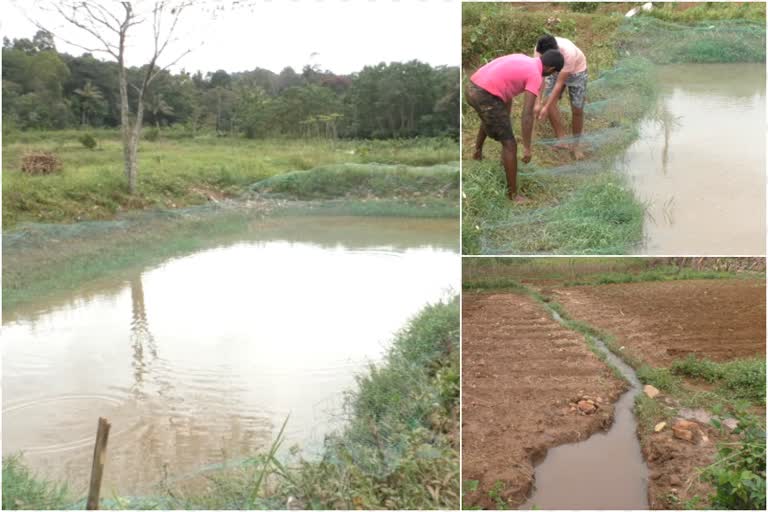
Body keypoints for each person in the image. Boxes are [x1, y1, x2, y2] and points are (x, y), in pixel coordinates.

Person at [466, 50, 564, 202]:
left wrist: (504, 117)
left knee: (489, 116)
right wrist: (526, 147)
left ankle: (477, 152)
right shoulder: (535, 75)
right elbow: (527, 114)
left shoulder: (523, 58)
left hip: (472, 87)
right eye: (553, 73)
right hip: (484, 95)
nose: (550, 75)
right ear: (550, 69)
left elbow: (505, 90)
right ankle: (513, 196)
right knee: (510, 145)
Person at [534, 35, 588, 160]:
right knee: (549, 100)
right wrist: (538, 102)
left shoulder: (568, 53)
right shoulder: (539, 49)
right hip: (554, 71)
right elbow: (540, 75)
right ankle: (562, 139)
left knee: (577, 109)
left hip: (577, 72)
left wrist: (545, 108)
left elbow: (559, 83)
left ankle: (576, 145)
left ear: (556, 51)